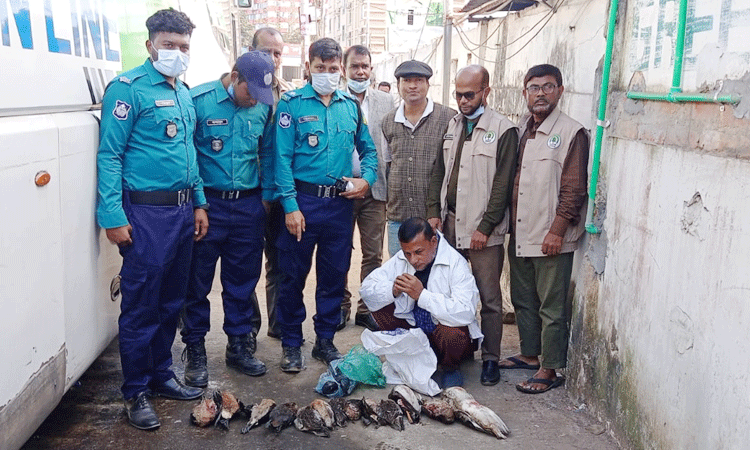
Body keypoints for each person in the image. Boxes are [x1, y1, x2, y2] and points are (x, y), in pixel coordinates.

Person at [96, 8, 205, 430]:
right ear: (150, 45)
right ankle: (136, 389)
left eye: (183, 47)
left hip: (180, 212)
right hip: (143, 214)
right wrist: (111, 214)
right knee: (141, 305)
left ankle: (161, 376)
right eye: (169, 45)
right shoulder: (128, 89)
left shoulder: (182, 92)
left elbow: (189, 154)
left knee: (171, 302)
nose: (177, 53)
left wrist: (199, 202)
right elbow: (110, 155)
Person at [274, 37, 378, 372]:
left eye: (333, 69)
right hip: (302, 203)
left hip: (339, 206)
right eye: (320, 68)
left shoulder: (350, 106)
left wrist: (367, 180)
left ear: (340, 71)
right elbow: (281, 159)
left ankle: (325, 340)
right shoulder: (292, 104)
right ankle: (291, 343)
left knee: (334, 275)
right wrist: (290, 206)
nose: (327, 74)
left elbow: (369, 151)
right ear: (308, 68)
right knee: (293, 276)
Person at [180, 51, 276, 387]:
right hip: (209, 206)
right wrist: (197, 203)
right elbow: (188, 156)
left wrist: (264, 197)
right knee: (197, 283)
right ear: (234, 77)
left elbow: (265, 150)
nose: (254, 101)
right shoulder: (198, 101)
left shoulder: (264, 103)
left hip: (248, 205)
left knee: (241, 282)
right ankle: (195, 349)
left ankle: (238, 346)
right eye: (250, 92)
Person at [498, 64, 589, 394]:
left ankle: (550, 369)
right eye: (534, 88)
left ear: (560, 91)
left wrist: (558, 230)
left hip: (551, 236)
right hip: (521, 231)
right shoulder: (521, 128)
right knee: (523, 299)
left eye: (548, 87)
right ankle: (529, 354)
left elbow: (574, 188)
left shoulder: (571, 132)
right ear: (525, 93)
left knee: (551, 307)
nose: (540, 93)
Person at [426, 65, 518, 386]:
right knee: (449, 291)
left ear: (486, 92)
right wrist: (433, 213)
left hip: (484, 232)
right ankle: (458, 350)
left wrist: (486, 227)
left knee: (489, 298)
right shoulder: (452, 126)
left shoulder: (504, 130)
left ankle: (490, 358)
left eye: (469, 94)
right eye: (458, 94)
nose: (463, 101)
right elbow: (439, 172)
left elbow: (503, 185)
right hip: (450, 226)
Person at [360, 218, 482, 388]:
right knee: (381, 305)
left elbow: (465, 312)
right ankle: (412, 359)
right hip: (417, 333)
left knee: (452, 332)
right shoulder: (402, 258)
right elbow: (366, 289)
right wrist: (393, 290)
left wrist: (422, 296)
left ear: (433, 241)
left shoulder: (456, 263)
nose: (413, 260)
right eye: (407, 253)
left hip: (446, 339)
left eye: (418, 252)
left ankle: (450, 368)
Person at [338, 44, 395, 332]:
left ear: (371, 69)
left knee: (373, 254)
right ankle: (341, 305)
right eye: (354, 66)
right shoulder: (334, 99)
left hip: (375, 190)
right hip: (341, 191)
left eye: (365, 66)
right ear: (344, 69)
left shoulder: (386, 102)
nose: (360, 71)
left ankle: (366, 308)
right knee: (340, 251)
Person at [381, 60, 456, 257]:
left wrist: (438, 211)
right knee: (401, 270)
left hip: (434, 216)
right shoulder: (388, 121)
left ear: (428, 84)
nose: (412, 86)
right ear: (398, 85)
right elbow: (388, 164)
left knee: (436, 274)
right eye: (407, 80)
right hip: (399, 215)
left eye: (419, 80)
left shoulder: (449, 118)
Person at [248, 27, 295, 339]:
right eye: (266, 52)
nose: (273, 59)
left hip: (279, 194)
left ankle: (278, 327)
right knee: (245, 265)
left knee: (280, 264)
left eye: (278, 53)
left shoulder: (289, 95)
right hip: (248, 194)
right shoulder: (239, 90)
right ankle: (247, 331)